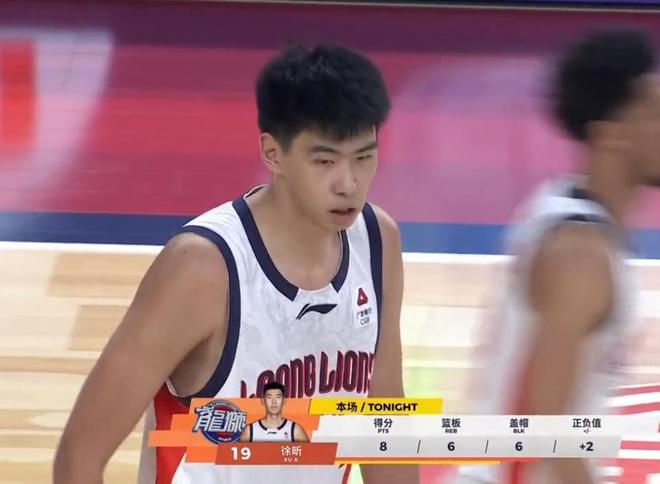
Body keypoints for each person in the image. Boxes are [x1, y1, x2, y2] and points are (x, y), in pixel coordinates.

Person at [54, 43, 418, 484]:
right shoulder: (203, 268)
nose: (349, 183)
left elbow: (382, 425)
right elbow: (80, 455)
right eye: (325, 161)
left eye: (363, 157)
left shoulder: (377, 241)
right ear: (273, 154)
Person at [454, 29, 660, 484]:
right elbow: (544, 432)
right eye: (654, 112)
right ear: (611, 135)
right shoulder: (580, 255)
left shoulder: (568, 211)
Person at [239, 381, 308, 442]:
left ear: (284, 400)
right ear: (263, 401)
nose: (274, 402)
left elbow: (310, 452)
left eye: (278, 397)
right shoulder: (249, 431)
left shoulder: (295, 430)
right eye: (269, 397)